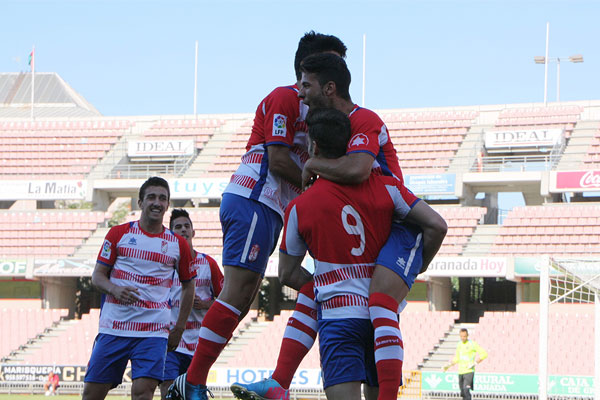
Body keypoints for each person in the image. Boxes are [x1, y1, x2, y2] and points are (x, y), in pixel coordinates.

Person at [234, 54, 447, 400]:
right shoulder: (373, 175)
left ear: (329, 88)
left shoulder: (362, 122)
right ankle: (279, 382)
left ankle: (279, 383)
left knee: (365, 298)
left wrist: (313, 165)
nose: (299, 93)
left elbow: (358, 170)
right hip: (384, 219)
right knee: (377, 305)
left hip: (397, 228)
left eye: (306, 84)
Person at [166, 32, 348, 400]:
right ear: (305, 68)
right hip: (254, 197)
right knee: (236, 292)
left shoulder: (319, 113)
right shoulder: (284, 98)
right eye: (330, 62)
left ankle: (212, 382)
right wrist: (319, 185)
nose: (338, 71)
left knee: (247, 296)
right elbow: (278, 159)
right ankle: (192, 383)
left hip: (270, 208)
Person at [278, 107, 419, 400]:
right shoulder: (387, 188)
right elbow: (435, 226)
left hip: (338, 316)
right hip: (382, 317)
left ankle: (278, 382)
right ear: (349, 146)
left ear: (313, 147)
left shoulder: (299, 206)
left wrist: (315, 291)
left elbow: (286, 273)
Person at [83, 176, 196, 400]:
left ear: (167, 204)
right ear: (140, 203)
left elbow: (188, 286)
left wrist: (179, 328)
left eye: (162, 198)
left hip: (153, 333)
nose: (157, 202)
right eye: (151, 197)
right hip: (114, 328)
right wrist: (114, 289)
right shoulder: (118, 234)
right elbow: (97, 276)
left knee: (143, 393)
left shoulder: (177, 244)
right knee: (92, 394)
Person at [160, 209, 224, 399]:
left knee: (193, 391)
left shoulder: (208, 263)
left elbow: (226, 301)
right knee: (168, 388)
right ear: (171, 233)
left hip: (198, 342)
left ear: (193, 232)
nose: (183, 230)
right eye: (178, 227)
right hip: (170, 340)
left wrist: (206, 304)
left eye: (187, 226)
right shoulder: (165, 264)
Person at [443, 328, 487, 400]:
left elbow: (484, 354)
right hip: (461, 371)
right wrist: (448, 365)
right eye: (461, 336)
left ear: (467, 335)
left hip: (469, 371)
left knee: (466, 391)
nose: (463, 338)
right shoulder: (459, 344)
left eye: (464, 336)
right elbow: (457, 358)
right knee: (463, 392)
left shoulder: (472, 344)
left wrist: (475, 363)